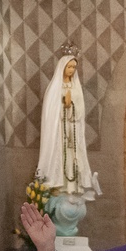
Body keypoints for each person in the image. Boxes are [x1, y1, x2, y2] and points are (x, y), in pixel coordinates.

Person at [36, 53, 100, 199]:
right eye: (69, 67)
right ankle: (57, 184)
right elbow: (50, 114)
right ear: (63, 67)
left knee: (73, 156)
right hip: (59, 132)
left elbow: (80, 111)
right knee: (59, 156)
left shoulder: (76, 88)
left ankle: (72, 187)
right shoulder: (54, 88)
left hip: (73, 129)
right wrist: (63, 105)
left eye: (74, 67)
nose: (71, 70)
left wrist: (71, 106)